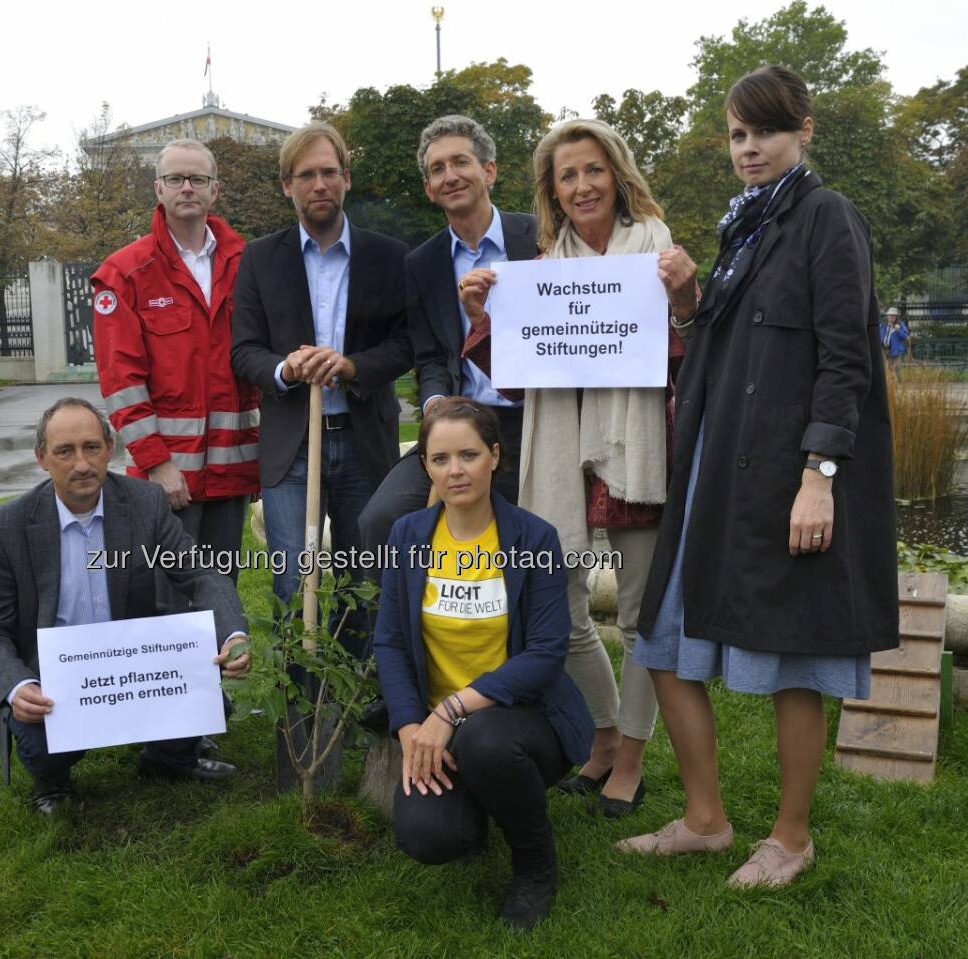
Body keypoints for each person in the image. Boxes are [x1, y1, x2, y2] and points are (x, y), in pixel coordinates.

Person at [620, 66, 898, 887]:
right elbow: (724, 347)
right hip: (715, 467)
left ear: (803, 128)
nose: (749, 149)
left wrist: (820, 473)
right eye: (738, 135)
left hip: (787, 473)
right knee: (662, 637)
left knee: (796, 657)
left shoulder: (827, 217)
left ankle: (790, 835)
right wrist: (686, 299)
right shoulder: (744, 227)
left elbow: (846, 355)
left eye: (764, 132)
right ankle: (705, 819)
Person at [455, 119, 699, 818]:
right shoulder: (541, 270)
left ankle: (631, 757)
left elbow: (693, 355)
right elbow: (523, 381)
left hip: (638, 448)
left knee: (641, 616)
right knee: (557, 614)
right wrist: (483, 317)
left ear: (616, 175)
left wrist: (684, 300)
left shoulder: (657, 251)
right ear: (552, 192)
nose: (582, 185)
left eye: (593, 170)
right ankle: (601, 732)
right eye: (568, 176)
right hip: (563, 454)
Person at [0, 398, 253, 814]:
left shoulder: (145, 503)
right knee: (40, 741)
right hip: (54, 679)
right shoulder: (2, 528)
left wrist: (235, 635)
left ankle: (169, 759)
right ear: (42, 459)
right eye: (65, 451)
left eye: (91, 448)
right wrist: (16, 686)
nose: (81, 463)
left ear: (111, 448)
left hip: (134, 665)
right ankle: (52, 781)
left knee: (206, 697)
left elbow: (201, 575)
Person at [374, 398, 593, 931]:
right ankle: (478, 804)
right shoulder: (407, 537)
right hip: (435, 725)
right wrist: (408, 729)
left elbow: (545, 654)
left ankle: (536, 863)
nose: (456, 470)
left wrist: (449, 712)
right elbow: (390, 643)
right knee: (432, 838)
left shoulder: (532, 538)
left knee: (486, 743)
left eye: (469, 454)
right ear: (424, 465)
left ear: (495, 456)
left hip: (520, 721)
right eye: (440, 458)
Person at [230, 122, 412, 655]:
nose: (319, 184)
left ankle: (357, 696)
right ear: (287, 185)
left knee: (365, 581)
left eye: (329, 172)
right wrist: (286, 368)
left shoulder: (387, 256)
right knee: (292, 583)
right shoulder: (261, 258)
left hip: (363, 440)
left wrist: (352, 366)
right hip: (292, 447)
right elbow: (244, 351)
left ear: (347, 179)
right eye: (306, 174)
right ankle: (302, 712)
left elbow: (405, 344)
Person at [357, 115, 539, 564]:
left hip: (535, 417)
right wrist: (435, 401)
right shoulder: (423, 263)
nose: (450, 175)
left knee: (516, 541)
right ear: (429, 188)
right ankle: (407, 627)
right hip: (462, 418)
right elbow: (430, 356)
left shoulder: (540, 238)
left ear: (489, 171)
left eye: (460, 162)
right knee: (380, 519)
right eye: (437, 169)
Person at [92, 139, 258, 581]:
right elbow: (120, 381)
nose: (187, 187)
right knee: (164, 600)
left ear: (215, 190)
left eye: (197, 179)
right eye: (175, 179)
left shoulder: (248, 265)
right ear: (158, 189)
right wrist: (157, 463)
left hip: (232, 471)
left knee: (221, 592)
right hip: (164, 478)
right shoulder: (125, 273)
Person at [882, 306, 909, 376]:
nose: (891, 317)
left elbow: (904, 337)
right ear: (887, 316)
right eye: (890, 315)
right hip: (883, 350)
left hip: (895, 351)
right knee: (883, 369)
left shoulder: (900, 325)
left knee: (895, 369)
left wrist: (898, 331)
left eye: (893, 316)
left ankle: (898, 385)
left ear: (896, 317)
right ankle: (887, 384)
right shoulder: (883, 325)